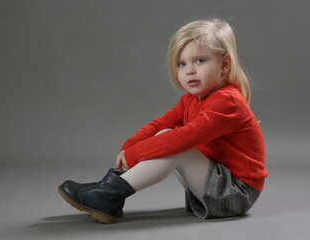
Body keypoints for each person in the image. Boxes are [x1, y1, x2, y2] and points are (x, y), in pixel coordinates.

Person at [58, 18, 269, 224]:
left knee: (178, 144)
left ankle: (109, 194)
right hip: (215, 185)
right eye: (181, 64)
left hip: (237, 193)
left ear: (224, 65)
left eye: (199, 60)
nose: (190, 70)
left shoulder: (227, 101)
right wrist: (130, 146)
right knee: (165, 133)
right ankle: (109, 191)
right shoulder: (191, 100)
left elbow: (183, 138)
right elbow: (159, 124)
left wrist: (134, 155)